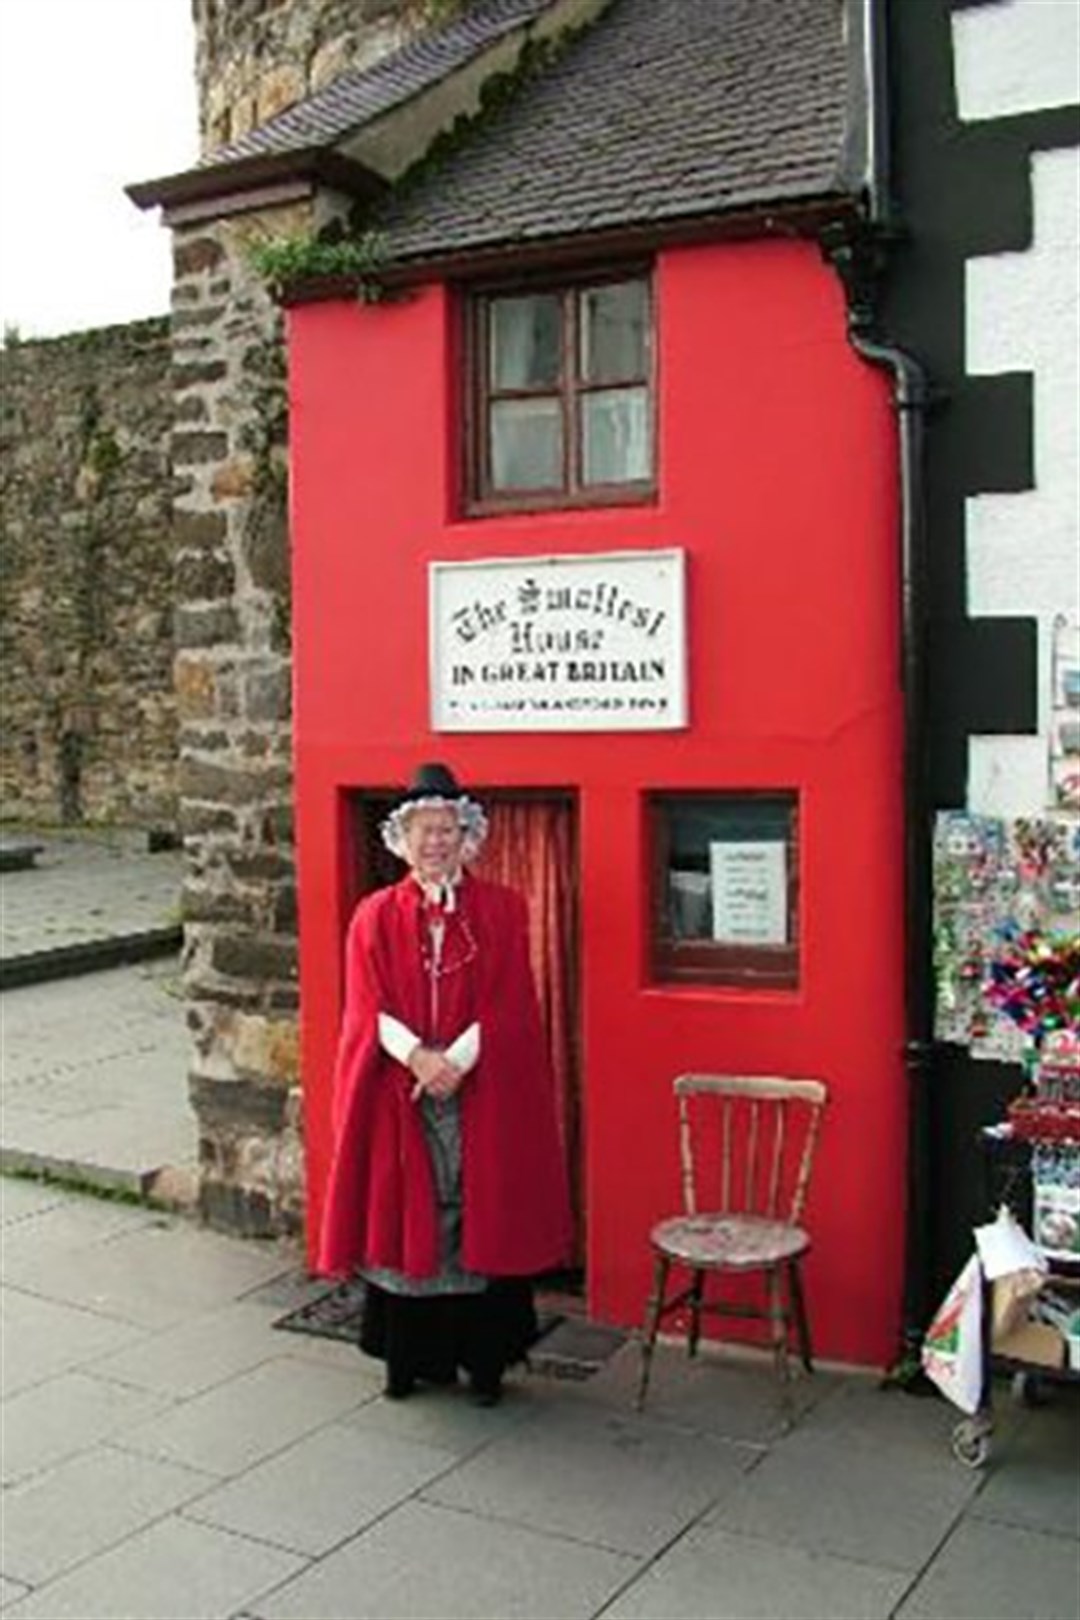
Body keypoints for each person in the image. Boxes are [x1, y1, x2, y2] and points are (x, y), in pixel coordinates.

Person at [318, 762, 572, 1403]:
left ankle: (483, 1364)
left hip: (480, 1090)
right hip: (398, 1094)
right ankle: (407, 1362)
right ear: (402, 840)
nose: (436, 841)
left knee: (478, 1206)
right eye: (424, 830)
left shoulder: (503, 909)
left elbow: (513, 1002)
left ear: (468, 837)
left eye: (447, 829)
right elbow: (363, 1007)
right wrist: (417, 1059)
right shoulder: (373, 916)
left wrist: (456, 1059)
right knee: (409, 1209)